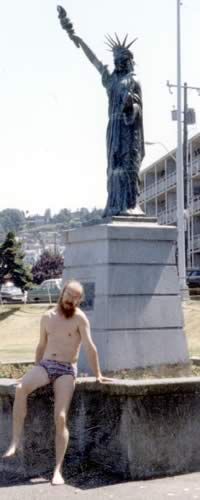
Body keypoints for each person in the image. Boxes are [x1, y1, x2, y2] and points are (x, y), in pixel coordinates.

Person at [3, 280, 110, 485]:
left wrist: (98, 374)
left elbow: (90, 347)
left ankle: (57, 470)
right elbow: (41, 345)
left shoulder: (80, 318)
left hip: (66, 370)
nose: (71, 299)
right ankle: (16, 441)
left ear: (80, 300)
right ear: (62, 293)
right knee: (20, 388)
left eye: (76, 297)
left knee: (60, 417)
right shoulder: (47, 317)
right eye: (69, 294)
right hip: (46, 365)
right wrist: (34, 369)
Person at [57, 6, 145, 217]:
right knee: (113, 166)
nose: (117, 64)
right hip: (114, 127)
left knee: (128, 164)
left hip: (129, 127)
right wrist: (76, 38)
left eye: (121, 61)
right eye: (116, 61)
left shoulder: (134, 81)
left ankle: (130, 205)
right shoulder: (111, 79)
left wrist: (131, 106)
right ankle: (115, 204)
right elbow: (95, 61)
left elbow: (140, 106)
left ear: (128, 61)